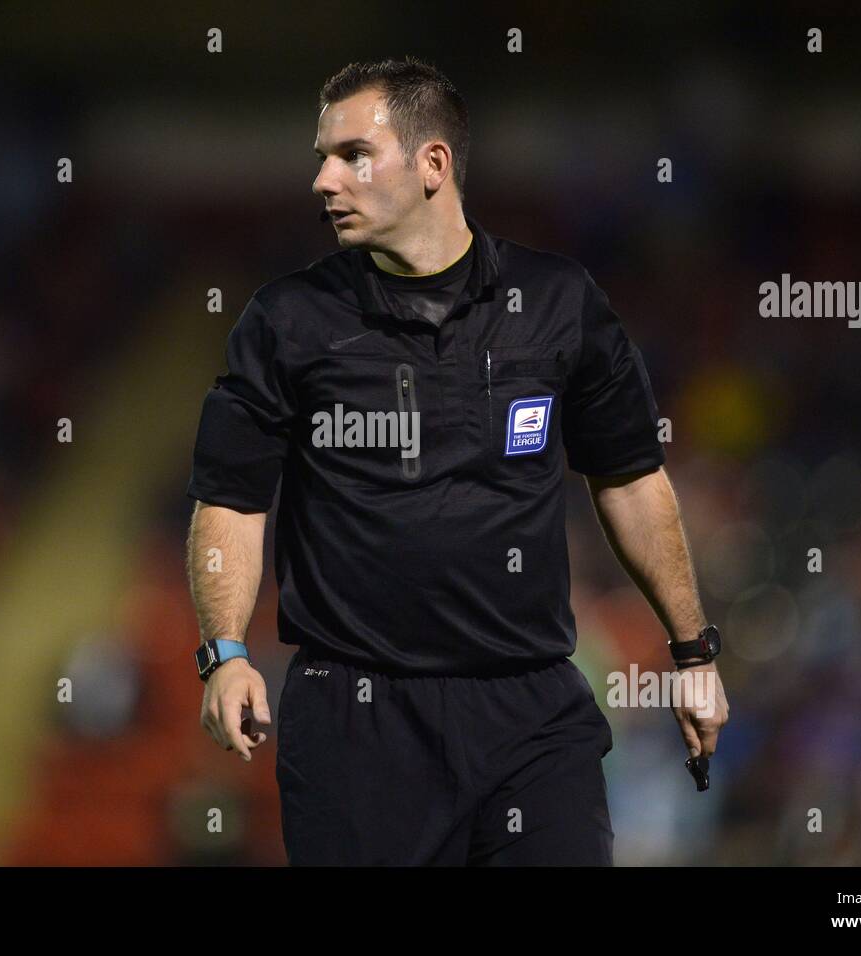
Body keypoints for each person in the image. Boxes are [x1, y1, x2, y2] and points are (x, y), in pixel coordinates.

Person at [185, 56, 728, 865]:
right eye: (321, 157)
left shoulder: (557, 303)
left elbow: (630, 478)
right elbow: (230, 501)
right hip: (355, 721)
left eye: (352, 155)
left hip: (532, 711)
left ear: (433, 163)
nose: (324, 180)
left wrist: (693, 652)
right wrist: (223, 655)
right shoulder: (287, 323)